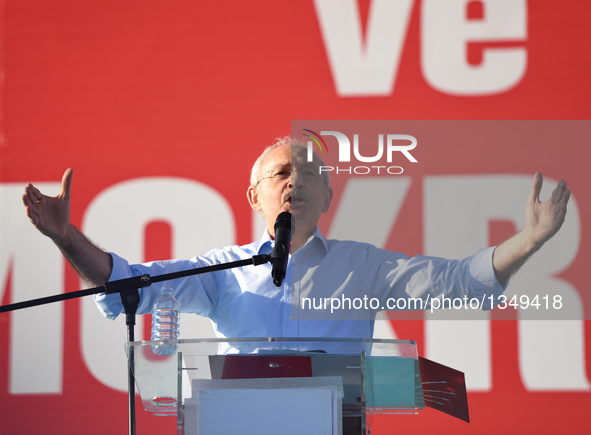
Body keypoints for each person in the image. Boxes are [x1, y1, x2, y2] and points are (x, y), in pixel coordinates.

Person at [22, 138, 571, 341]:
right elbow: (129, 286)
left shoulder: (363, 266)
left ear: (329, 199)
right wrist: (67, 238)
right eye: (283, 172)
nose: (296, 181)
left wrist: (531, 240)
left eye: (311, 173)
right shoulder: (220, 271)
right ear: (254, 196)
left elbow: (460, 283)